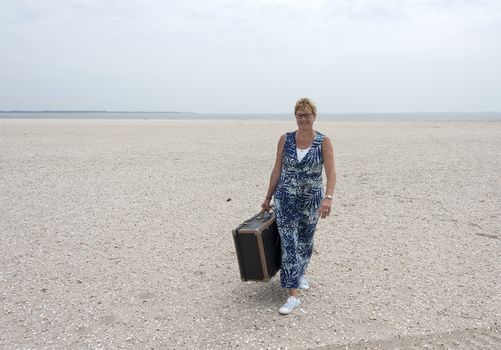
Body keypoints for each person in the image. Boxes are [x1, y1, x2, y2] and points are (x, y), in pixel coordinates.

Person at [261, 97, 336, 315]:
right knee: (289, 243)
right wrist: (267, 197)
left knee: (305, 241)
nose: (303, 119)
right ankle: (292, 295)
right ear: (295, 117)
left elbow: (331, 173)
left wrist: (328, 198)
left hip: (312, 200)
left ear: (314, 116)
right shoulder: (285, 139)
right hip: (285, 198)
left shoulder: (323, 141)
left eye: (307, 115)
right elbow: (277, 170)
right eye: (299, 115)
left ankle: (300, 272)